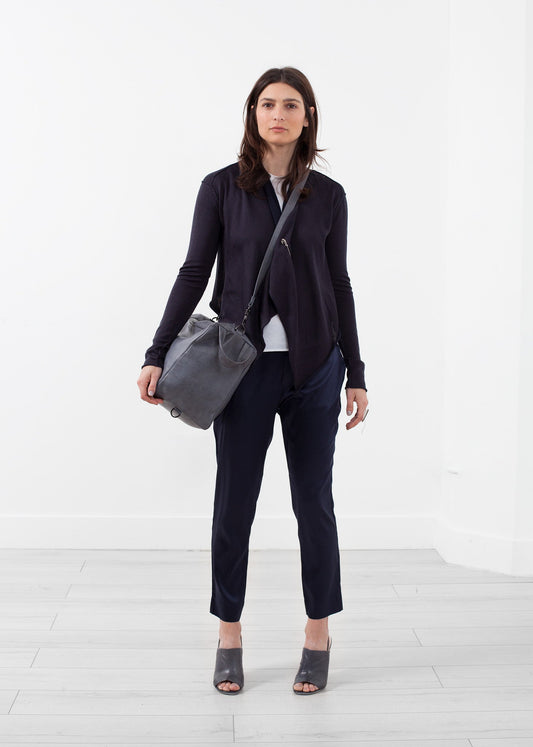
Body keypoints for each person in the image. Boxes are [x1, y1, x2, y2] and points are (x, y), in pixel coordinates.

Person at [137, 66, 369, 695]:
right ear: (253, 113)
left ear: (307, 116)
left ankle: (317, 633)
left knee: (313, 503)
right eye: (268, 104)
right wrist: (157, 351)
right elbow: (194, 271)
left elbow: (339, 284)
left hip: (316, 368)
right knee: (234, 501)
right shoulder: (221, 188)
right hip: (241, 371)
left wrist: (355, 371)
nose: (278, 115)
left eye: (291, 105)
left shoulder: (329, 195)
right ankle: (229, 634)